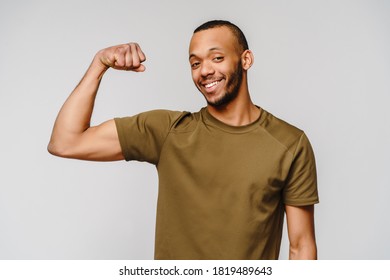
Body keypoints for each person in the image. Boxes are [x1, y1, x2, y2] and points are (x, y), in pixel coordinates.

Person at [48, 20, 319, 260]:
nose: (204, 71)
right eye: (195, 63)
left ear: (245, 60)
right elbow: (65, 141)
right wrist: (99, 64)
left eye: (217, 58)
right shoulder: (168, 131)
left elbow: (301, 246)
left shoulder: (289, 144)